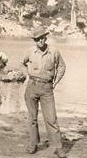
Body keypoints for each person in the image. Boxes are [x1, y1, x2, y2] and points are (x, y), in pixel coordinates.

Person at [21, 28, 67, 158]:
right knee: (32, 118)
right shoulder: (29, 52)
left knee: (51, 118)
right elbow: (22, 64)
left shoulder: (54, 52)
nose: (40, 41)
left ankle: (57, 147)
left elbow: (62, 66)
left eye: (42, 38)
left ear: (46, 38)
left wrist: (56, 82)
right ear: (34, 40)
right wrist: (26, 76)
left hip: (47, 89)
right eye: (37, 39)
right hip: (32, 87)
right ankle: (33, 144)